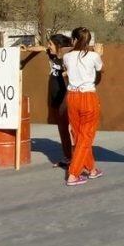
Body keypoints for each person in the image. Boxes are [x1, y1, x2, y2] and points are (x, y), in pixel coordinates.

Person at [25, 34, 74, 167]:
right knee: (62, 129)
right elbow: (41, 48)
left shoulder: (68, 56)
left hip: (67, 96)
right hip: (55, 96)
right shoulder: (51, 55)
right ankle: (68, 156)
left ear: (58, 45)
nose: (48, 46)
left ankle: (80, 157)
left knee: (74, 129)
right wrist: (28, 49)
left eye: (51, 44)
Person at [63, 27, 104, 186]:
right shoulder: (94, 56)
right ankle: (73, 173)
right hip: (88, 96)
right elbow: (100, 70)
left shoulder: (67, 57)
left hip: (72, 97)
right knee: (86, 136)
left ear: (73, 40)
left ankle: (92, 169)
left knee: (79, 134)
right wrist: (99, 54)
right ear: (88, 41)